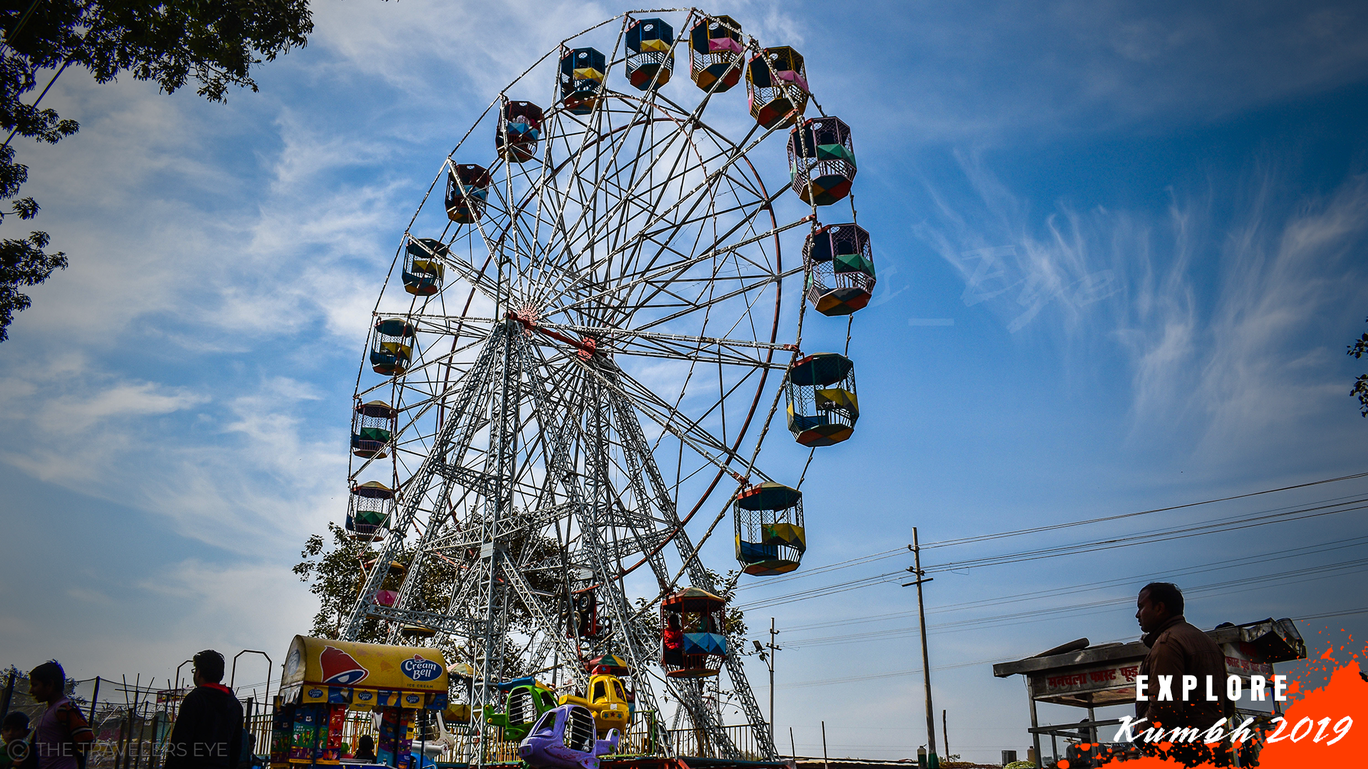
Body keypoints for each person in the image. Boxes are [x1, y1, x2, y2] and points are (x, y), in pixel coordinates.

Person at [1135, 582, 1232, 766]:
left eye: (1141, 607)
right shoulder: (1207, 642)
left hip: (1185, 754)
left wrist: (1141, 732)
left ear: (1160, 608)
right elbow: (1227, 706)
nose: (1137, 614)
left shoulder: (1168, 644)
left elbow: (1165, 707)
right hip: (1216, 751)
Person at [164, 650, 244, 769]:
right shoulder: (236, 705)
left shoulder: (194, 699)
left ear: (199, 673)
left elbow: (180, 743)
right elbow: (236, 748)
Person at [27, 661, 94, 769]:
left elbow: (87, 740)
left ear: (49, 684)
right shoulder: (52, 710)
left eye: (35, 685)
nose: (31, 691)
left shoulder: (64, 709)